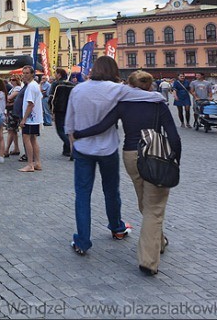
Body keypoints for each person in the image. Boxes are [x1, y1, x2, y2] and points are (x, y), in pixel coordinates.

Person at [74, 71, 182, 276]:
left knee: (145, 202)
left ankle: (158, 241)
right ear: (150, 86)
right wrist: (175, 160)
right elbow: (173, 136)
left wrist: (79, 134)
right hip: (155, 154)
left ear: (130, 86)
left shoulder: (124, 103)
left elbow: (103, 126)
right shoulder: (158, 102)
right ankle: (148, 261)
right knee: (154, 207)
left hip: (132, 156)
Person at [64, 56, 166, 256]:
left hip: (83, 149)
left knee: (82, 194)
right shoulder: (116, 88)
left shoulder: (77, 90)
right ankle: (116, 227)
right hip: (108, 148)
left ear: (94, 69)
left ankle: (82, 241)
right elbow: (147, 96)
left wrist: (72, 144)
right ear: (113, 70)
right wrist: (160, 98)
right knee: (111, 190)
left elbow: (69, 123)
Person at [18, 66, 43, 173]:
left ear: (32, 74)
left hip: (30, 119)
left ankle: (30, 164)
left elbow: (30, 104)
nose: (24, 75)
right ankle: (37, 162)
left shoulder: (31, 86)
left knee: (26, 139)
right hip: (35, 118)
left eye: (27, 73)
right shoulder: (35, 85)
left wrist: (24, 119)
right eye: (23, 73)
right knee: (33, 139)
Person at [49, 68, 74, 159]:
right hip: (69, 109)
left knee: (60, 130)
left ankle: (71, 146)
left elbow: (51, 97)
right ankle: (66, 150)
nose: (55, 75)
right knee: (67, 129)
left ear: (59, 74)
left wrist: (51, 109)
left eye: (55, 73)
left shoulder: (56, 84)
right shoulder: (72, 84)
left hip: (59, 109)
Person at [4, 77, 22, 157]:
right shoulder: (13, 88)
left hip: (13, 111)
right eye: (11, 79)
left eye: (13, 79)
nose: (12, 81)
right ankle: (16, 148)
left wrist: (8, 100)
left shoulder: (17, 88)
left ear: (17, 80)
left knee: (11, 130)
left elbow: (9, 98)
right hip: (11, 111)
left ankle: (6, 150)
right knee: (13, 131)